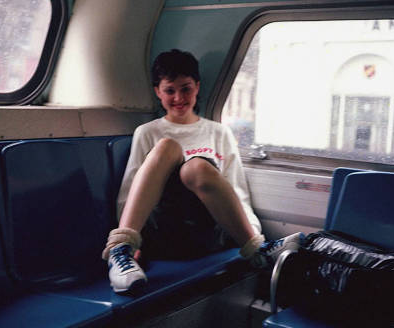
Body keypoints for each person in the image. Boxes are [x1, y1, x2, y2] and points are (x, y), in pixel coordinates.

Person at [102, 49, 302, 293]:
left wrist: (252, 232)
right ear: (158, 92)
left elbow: (236, 189)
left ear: (197, 87)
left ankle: (256, 250)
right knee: (167, 147)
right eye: (169, 90)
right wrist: (135, 246)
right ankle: (120, 249)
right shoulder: (148, 132)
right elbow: (130, 189)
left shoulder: (219, 133)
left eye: (186, 88)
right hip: (162, 232)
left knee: (197, 166)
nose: (178, 97)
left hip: (209, 233)